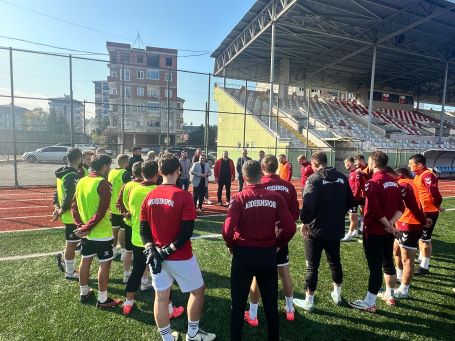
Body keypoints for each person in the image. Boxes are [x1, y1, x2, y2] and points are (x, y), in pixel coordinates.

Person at [140, 153, 215, 341]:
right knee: (198, 292)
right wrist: (167, 251)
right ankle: (192, 333)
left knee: (161, 297)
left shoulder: (149, 195)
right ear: (178, 170)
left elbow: (143, 229)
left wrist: (151, 249)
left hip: (156, 257)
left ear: (159, 171)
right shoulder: (183, 196)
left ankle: (167, 339)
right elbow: (186, 232)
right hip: (180, 256)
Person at [223, 160, 296, 341]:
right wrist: (278, 244)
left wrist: (232, 246)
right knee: (271, 304)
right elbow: (290, 227)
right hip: (267, 255)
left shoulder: (239, 198)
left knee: (238, 304)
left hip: (244, 255)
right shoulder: (275, 197)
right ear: (260, 175)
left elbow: (227, 231)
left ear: (243, 176)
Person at [122, 160, 185, 318]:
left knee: (136, 271)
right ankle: (169, 308)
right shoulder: (158, 191)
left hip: (138, 238)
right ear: (157, 173)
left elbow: (130, 214)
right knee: (164, 276)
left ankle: (128, 302)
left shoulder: (134, 190)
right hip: (156, 241)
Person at [294, 152, 354, 311]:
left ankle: (309, 300)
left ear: (314, 164)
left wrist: (305, 222)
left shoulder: (314, 179)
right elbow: (350, 201)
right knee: (335, 262)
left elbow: (308, 205)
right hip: (336, 228)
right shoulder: (342, 177)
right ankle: (337, 294)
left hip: (316, 230)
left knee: (312, 266)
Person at [246, 154, 299, 326]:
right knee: (284, 272)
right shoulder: (288, 186)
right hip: (281, 237)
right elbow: (294, 214)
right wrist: (282, 229)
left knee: (258, 276)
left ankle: (253, 314)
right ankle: (290, 309)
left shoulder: (260, 186)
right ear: (277, 167)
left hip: (263, 238)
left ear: (262, 168)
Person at [349, 151, 404, 312]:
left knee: (375, 268)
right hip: (388, 232)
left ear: (373, 163)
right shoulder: (394, 182)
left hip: (374, 231)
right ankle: (390, 294)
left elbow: (376, 210)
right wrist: (392, 225)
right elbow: (402, 207)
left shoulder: (372, 183)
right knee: (388, 261)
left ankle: (369, 302)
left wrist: (388, 225)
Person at [72, 154, 122, 308]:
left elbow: (74, 206)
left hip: (87, 233)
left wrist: (81, 226)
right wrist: (85, 227)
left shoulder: (81, 181)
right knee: (104, 265)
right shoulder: (103, 183)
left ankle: (84, 292)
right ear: (105, 166)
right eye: (109, 165)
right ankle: (102, 299)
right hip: (101, 233)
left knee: (85, 261)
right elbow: (100, 213)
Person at [384, 167, 428, 299]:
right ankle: (398, 275)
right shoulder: (407, 182)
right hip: (402, 223)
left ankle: (404, 290)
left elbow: (413, 206)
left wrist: (422, 220)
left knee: (407, 259)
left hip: (410, 224)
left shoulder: (404, 184)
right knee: (396, 250)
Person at [408, 154, 442, 275]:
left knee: (425, 239)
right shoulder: (419, 174)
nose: (409, 166)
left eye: (411, 163)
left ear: (419, 165)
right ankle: (422, 258)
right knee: (421, 238)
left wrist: (437, 206)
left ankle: (425, 266)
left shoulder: (427, 175)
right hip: (422, 211)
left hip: (428, 212)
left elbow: (434, 194)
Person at [52, 148, 83, 279]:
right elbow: (69, 196)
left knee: (75, 242)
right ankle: (70, 272)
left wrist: (56, 207)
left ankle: (63, 257)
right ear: (79, 159)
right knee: (72, 244)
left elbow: (56, 194)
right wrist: (61, 210)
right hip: (71, 216)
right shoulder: (71, 175)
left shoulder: (63, 173)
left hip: (69, 215)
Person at [108, 154, 132, 281]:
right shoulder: (125, 173)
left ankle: (112, 250)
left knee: (114, 229)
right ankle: (123, 252)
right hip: (122, 206)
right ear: (124, 161)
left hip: (113, 206)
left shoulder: (111, 172)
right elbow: (129, 189)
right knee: (123, 230)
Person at [341, 157, 363, 241]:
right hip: (353, 198)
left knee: (352, 217)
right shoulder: (352, 172)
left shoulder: (357, 173)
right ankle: (355, 231)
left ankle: (349, 235)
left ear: (349, 163)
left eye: (345, 163)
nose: (345, 165)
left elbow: (358, 187)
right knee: (353, 216)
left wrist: (353, 199)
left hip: (354, 199)